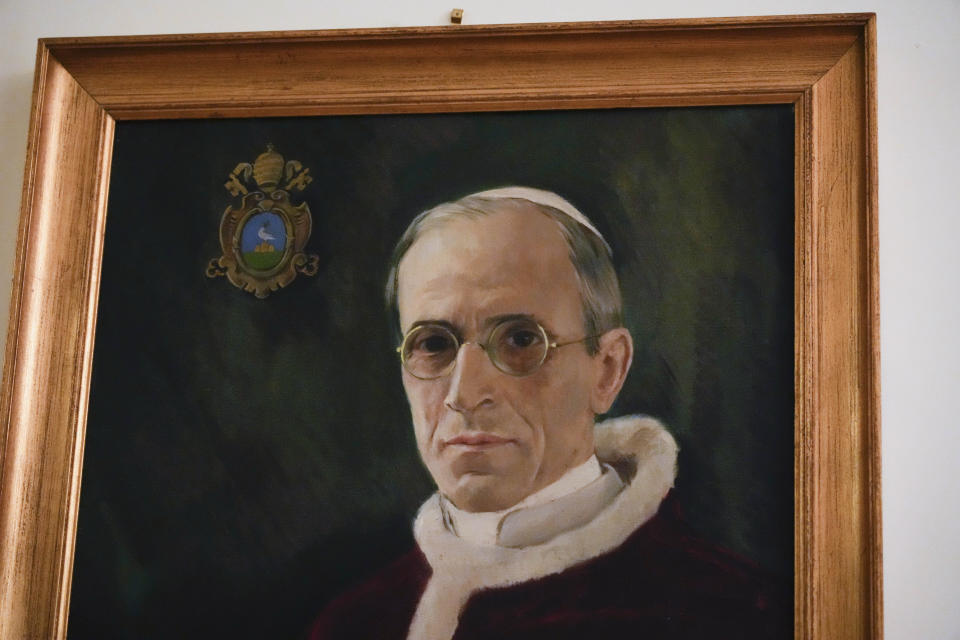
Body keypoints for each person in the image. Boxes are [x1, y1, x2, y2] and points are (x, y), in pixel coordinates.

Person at [309, 187, 784, 640]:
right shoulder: (356, 624)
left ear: (607, 371)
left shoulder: (734, 613)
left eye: (519, 339)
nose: (464, 393)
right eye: (433, 344)